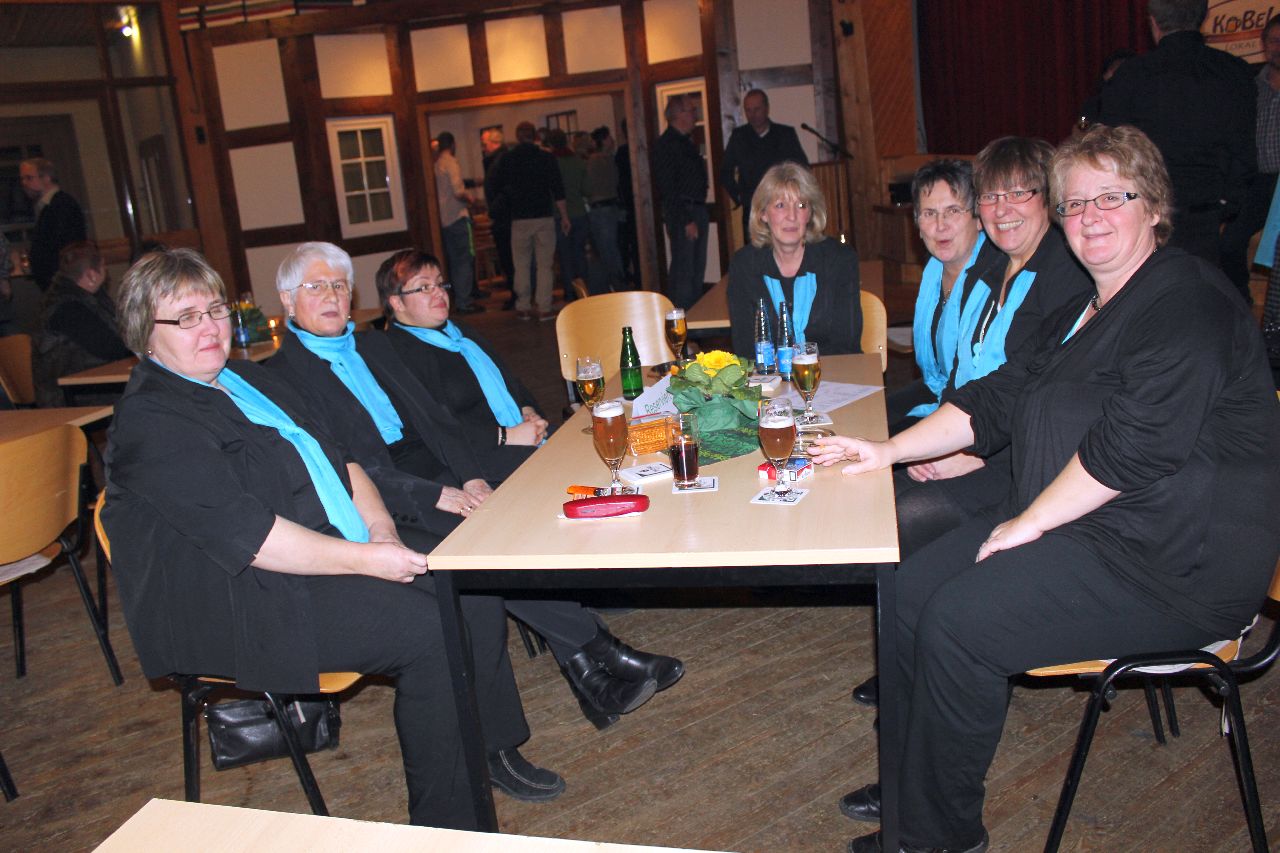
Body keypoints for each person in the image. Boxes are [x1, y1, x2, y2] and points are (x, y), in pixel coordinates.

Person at [815, 123, 1280, 853]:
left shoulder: (1187, 301)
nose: (1089, 216)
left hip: (1170, 564)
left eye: (1111, 197)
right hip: (1093, 527)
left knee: (959, 621)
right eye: (1074, 203)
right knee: (905, 585)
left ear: (1155, 206)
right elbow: (997, 396)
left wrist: (1028, 521)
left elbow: (1133, 446)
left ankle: (938, 836)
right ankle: (911, 792)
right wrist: (887, 450)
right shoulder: (1082, 309)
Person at [102, 248, 567, 828]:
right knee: (428, 631)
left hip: (314, 548)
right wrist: (367, 560)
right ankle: (448, 825)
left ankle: (487, 752)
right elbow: (254, 539)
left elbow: (343, 460)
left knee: (467, 593)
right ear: (145, 334)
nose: (210, 328)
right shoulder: (153, 422)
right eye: (187, 318)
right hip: (240, 594)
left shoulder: (245, 377)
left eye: (216, 310)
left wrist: (382, 531)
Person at [266, 242, 683, 728]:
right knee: (490, 548)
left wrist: (471, 476)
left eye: (339, 285)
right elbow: (343, 466)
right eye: (316, 287)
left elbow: (436, 421)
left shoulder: (373, 345)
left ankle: (590, 672)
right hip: (385, 496)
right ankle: (599, 655)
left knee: (510, 519)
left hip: (437, 466)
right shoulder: (282, 376)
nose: (332, 296)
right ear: (287, 299)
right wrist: (435, 492)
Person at [848, 137, 1092, 710]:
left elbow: (1040, 395)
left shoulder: (1065, 275)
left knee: (898, 523)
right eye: (991, 196)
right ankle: (907, 665)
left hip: (1025, 464)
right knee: (876, 502)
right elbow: (967, 378)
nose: (1003, 209)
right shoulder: (990, 266)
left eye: (1019, 193)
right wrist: (937, 442)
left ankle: (923, 675)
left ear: (1049, 199)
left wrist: (969, 453)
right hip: (983, 438)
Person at [1098, 0, 1255, 266]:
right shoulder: (1235, 71)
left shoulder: (1131, 75)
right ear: (1204, 16)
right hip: (1207, 215)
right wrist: (1228, 205)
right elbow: (1244, 153)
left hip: (1146, 215)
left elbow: (1110, 151)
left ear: (1153, 22)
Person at [884, 160, 986, 431]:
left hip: (978, 408)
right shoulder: (933, 271)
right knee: (868, 421)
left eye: (953, 211)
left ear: (978, 218)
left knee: (883, 443)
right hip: (938, 387)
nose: (941, 226)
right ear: (917, 225)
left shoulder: (994, 277)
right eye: (929, 213)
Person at [727, 162, 861, 358]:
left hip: (832, 373)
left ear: (810, 213)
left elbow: (846, 346)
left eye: (801, 205)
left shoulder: (839, 260)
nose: (792, 216)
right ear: (763, 213)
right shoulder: (744, 266)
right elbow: (746, 351)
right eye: (780, 205)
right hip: (769, 376)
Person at [1219, 14, 1280, 304]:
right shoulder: (1250, 87)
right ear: (1263, 44)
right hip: (1258, 182)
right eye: (1274, 41)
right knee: (1229, 243)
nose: (1279, 48)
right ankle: (1242, 303)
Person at [486, 121, 569, 321]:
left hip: (519, 219)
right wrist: (564, 216)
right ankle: (544, 307)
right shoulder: (546, 157)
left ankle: (523, 305)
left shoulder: (508, 159)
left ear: (517, 137)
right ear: (535, 136)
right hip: (543, 217)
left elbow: (498, 186)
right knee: (544, 265)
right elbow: (557, 189)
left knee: (521, 264)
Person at [33, 240, 131, 406]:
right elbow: (112, 348)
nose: (106, 272)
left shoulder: (81, 298)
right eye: (103, 267)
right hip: (72, 395)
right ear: (91, 275)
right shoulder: (67, 309)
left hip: (90, 385)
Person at [719, 88, 810, 236]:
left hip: (783, 207)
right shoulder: (739, 137)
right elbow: (725, 171)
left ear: (767, 108)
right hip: (752, 208)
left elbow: (802, 167)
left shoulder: (784, 134)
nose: (753, 114)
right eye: (748, 110)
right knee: (754, 248)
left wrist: (792, 196)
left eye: (757, 109)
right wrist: (739, 196)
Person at [652, 94, 709, 310]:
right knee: (684, 271)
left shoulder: (686, 142)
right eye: (691, 110)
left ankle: (693, 317)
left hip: (696, 208)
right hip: (685, 212)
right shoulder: (666, 144)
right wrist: (686, 220)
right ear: (678, 114)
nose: (695, 114)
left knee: (696, 270)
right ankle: (681, 321)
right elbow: (668, 188)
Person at [20, 157, 87, 291]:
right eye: (22, 179)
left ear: (46, 178)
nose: (24, 183)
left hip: (63, 281)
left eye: (29, 178)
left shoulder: (61, 204)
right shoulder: (48, 206)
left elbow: (66, 245)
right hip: (55, 281)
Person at [432, 132, 481, 314]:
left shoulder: (436, 164)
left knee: (454, 261)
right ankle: (465, 300)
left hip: (444, 219)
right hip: (457, 216)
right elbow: (458, 191)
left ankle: (460, 298)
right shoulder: (451, 162)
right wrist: (472, 200)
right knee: (465, 259)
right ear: (453, 145)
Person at [585, 125, 627, 294]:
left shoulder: (596, 160)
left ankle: (613, 285)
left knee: (607, 249)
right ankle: (617, 285)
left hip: (602, 208)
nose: (612, 140)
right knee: (609, 249)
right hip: (605, 208)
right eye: (609, 138)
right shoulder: (601, 160)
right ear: (603, 140)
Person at [551, 129, 590, 302]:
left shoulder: (551, 163)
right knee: (580, 253)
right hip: (579, 212)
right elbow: (587, 189)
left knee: (565, 256)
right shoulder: (578, 162)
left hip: (558, 215)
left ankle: (569, 291)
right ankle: (584, 291)